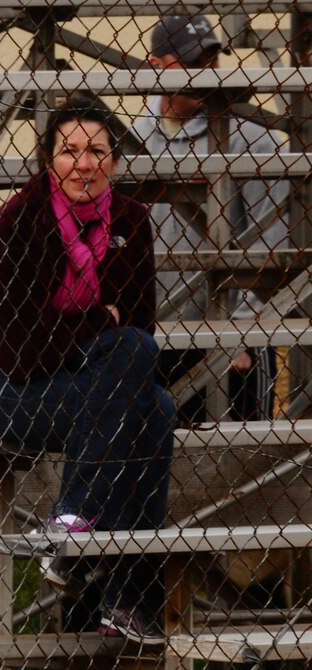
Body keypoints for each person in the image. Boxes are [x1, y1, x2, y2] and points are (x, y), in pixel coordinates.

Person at [0, 94, 176, 646]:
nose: (84, 164)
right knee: (141, 397)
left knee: (155, 401)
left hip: (93, 387)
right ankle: (103, 569)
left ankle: (82, 538)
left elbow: (138, 326)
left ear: (114, 161)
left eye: (97, 151)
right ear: (48, 161)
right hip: (14, 393)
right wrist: (95, 322)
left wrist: (77, 330)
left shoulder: (132, 223)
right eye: (69, 151)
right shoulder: (16, 222)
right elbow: (17, 351)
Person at [132, 12, 287, 425]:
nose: (207, 72)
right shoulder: (129, 142)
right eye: (192, 61)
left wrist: (242, 332)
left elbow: (275, 244)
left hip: (233, 343)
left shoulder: (253, 140)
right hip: (153, 339)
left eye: (211, 59)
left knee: (239, 467)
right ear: (156, 65)